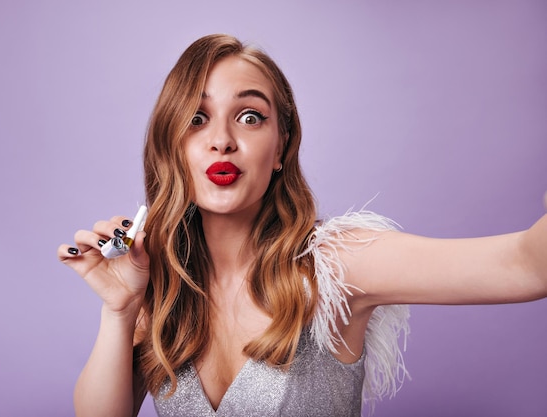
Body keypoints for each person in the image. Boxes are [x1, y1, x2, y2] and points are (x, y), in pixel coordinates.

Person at [57, 34, 547, 417]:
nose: (222, 141)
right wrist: (120, 312)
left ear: (281, 147)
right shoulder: (161, 282)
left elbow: (527, 266)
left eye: (250, 117)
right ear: (171, 145)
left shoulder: (337, 263)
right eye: (196, 119)